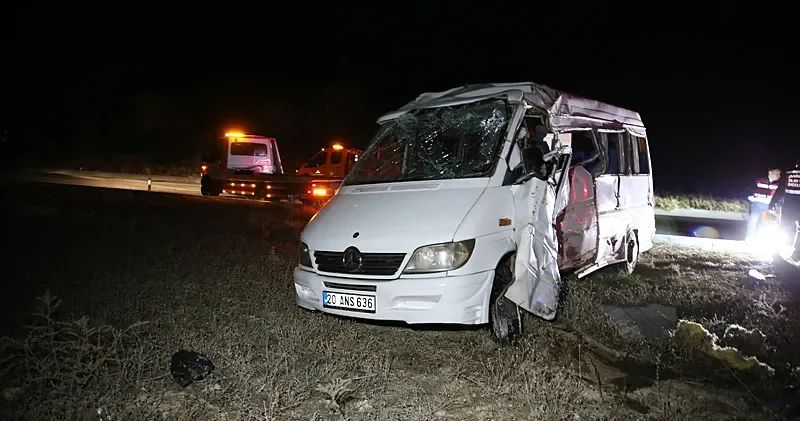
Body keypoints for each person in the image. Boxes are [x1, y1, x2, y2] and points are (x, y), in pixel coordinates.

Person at [769, 160, 800, 257]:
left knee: (782, 228)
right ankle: (796, 252)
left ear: (796, 164)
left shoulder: (788, 173)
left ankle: (776, 250)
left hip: (788, 206)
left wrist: (772, 204)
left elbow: (780, 190)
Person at [746, 168, 781, 242]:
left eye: (780, 174)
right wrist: (750, 198)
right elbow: (749, 189)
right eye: (777, 173)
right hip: (757, 205)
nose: (779, 176)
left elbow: (779, 196)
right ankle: (749, 238)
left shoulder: (778, 185)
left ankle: (762, 240)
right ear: (770, 173)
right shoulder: (759, 181)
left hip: (769, 207)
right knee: (753, 219)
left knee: (767, 222)